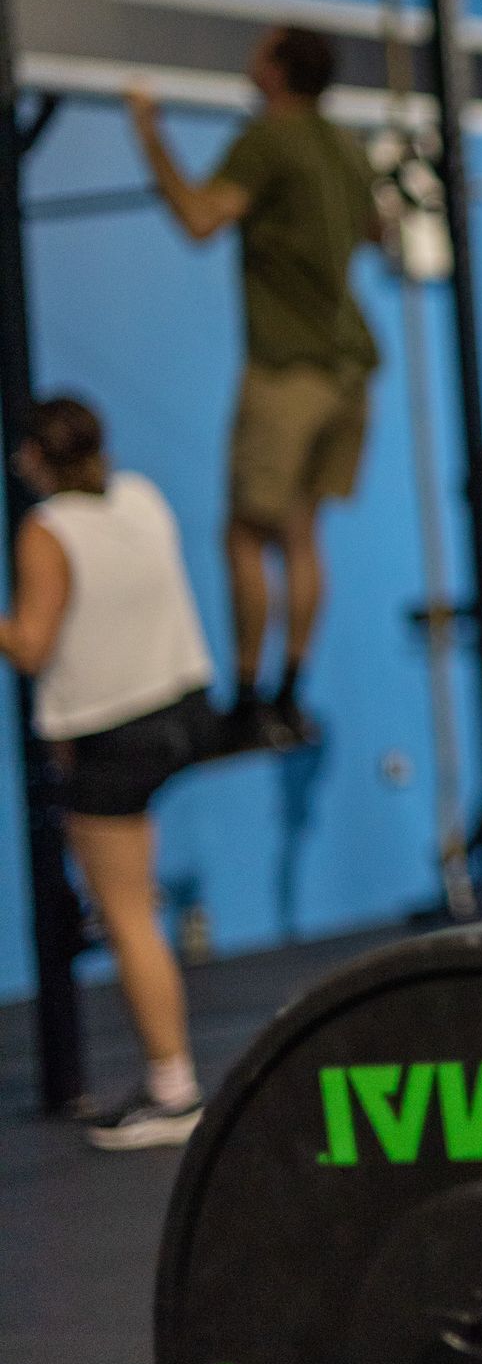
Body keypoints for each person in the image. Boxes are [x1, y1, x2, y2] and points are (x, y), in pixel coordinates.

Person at [127, 26, 379, 748]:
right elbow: (376, 233)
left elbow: (201, 218)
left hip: (289, 368)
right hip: (350, 370)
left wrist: (148, 132)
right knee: (300, 531)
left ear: (275, 70)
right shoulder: (346, 146)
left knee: (244, 533)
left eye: (259, 49)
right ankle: (289, 696)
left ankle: (246, 703)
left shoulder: (270, 139)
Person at [0, 395, 215, 1147]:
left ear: (33, 458)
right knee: (127, 909)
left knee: (127, 916)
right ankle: (170, 1080)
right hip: (179, 715)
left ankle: (173, 1088)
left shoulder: (47, 530)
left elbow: (30, 645)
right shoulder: (142, 499)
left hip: (111, 741)